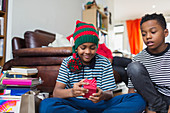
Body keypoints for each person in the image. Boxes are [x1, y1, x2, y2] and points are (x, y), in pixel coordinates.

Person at [39, 20, 146, 113]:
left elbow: (109, 94)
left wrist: (102, 95)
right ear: (76, 48)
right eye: (83, 47)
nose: (88, 52)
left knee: (138, 99)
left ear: (97, 47)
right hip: (74, 103)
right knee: (46, 104)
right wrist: (72, 92)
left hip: (100, 104)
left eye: (92, 47)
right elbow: (56, 93)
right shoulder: (67, 62)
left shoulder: (104, 62)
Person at [127, 13, 170, 113]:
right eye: (144, 34)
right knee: (133, 67)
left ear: (165, 33)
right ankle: (157, 108)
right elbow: (132, 90)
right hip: (152, 99)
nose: (148, 37)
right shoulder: (138, 58)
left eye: (153, 32)